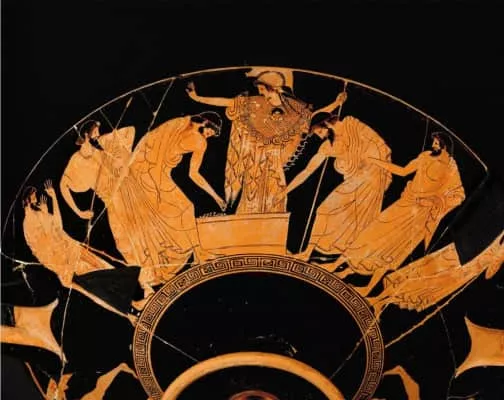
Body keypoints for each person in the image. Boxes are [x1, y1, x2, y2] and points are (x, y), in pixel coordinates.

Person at [186, 70, 347, 214]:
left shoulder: (293, 108)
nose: (260, 92)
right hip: (255, 158)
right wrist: (197, 98)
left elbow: (314, 117)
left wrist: (336, 103)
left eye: (262, 89)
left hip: (274, 160)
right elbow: (227, 102)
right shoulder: (256, 103)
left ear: (274, 87)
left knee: (276, 194)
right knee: (252, 195)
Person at [328, 132, 466, 297]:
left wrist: (435, 200)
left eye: (436, 143)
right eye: (434, 142)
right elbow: (403, 171)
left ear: (445, 147)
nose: (433, 146)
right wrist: (376, 161)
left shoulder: (451, 168)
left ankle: (368, 288)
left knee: (393, 251)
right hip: (405, 205)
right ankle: (341, 267)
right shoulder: (425, 156)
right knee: (372, 233)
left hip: (420, 216)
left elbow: (459, 196)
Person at [59, 120, 191, 277]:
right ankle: (151, 272)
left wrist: (109, 143)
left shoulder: (101, 150)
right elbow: (63, 185)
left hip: (128, 191)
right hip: (115, 202)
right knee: (132, 237)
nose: (98, 135)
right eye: (95, 132)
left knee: (148, 223)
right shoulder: (77, 160)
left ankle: (163, 257)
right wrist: (79, 212)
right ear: (86, 135)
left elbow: (130, 130)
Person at [22, 181, 147, 322]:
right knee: (100, 286)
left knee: (105, 271)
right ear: (27, 200)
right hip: (66, 264)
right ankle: (130, 313)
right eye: (33, 196)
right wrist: (46, 214)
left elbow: (58, 226)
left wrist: (54, 198)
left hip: (72, 251)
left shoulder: (38, 214)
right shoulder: (29, 221)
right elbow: (46, 247)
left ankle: (132, 303)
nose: (36, 198)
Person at [274, 114, 392, 261]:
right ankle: (308, 253)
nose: (320, 136)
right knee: (325, 211)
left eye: (319, 131)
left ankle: (345, 257)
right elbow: (307, 171)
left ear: (327, 124)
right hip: (355, 180)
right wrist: (285, 192)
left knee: (355, 220)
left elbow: (380, 146)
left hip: (370, 177)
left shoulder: (353, 126)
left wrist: (369, 164)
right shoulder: (327, 147)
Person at [129, 112, 226, 262]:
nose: (210, 134)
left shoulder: (185, 127)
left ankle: (193, 252)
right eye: (211, 130)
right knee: (183, 208)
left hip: (155, 173)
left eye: (212, 133)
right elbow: (155, 140)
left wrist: (216, 197)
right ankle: (197, 253)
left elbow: (193, 174)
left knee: (179, 210)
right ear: (205, 122)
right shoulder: (186, 128)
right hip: (151, 172)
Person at [368, 230, 504, 317]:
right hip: (455, 259)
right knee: (417, 276)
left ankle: (381, 302)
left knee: (419, 287)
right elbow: (489, 271)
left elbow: (489, 272)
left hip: (460, 272)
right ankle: (379, 299)